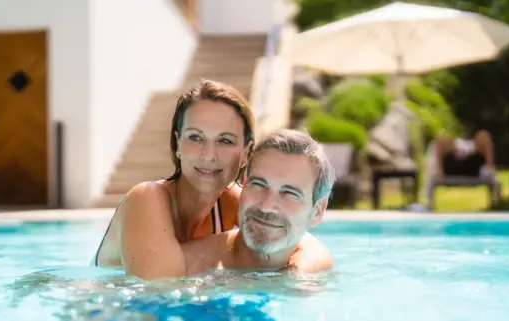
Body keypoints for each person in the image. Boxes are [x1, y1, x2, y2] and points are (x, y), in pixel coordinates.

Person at [93, 80, 331, 279]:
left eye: (225, 141)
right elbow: (160, 300)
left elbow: (303, 240)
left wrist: (293, 275)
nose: (208, 155)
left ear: (247, 153)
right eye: (195, 137)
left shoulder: (237, 201)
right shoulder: (147, 199)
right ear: (177, 144)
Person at [180, 129, 336, 275]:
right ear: (244, 184)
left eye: (289, 193)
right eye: (259, 184)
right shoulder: (186, 266)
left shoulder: (315, 277)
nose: (266, 206)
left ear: (317, 211)